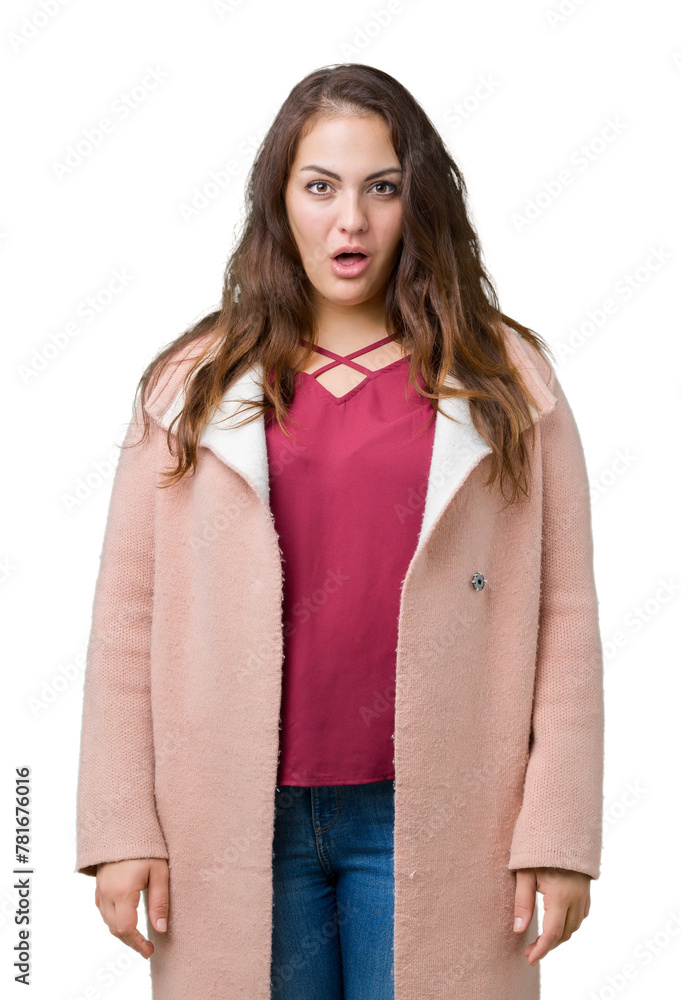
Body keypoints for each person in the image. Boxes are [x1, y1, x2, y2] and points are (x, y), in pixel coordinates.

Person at [75, 63, 604, 1000]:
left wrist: (558, 834)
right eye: (319, 187)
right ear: (280, 202)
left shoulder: (509, 383)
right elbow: (128, 617)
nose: (350, 221)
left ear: (417, 201)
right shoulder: (191, 385)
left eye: (381, 188)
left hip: (441, 819)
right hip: (232, 824)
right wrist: (119, 828)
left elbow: (563, 621)